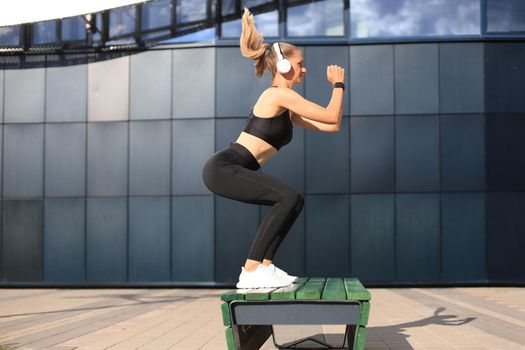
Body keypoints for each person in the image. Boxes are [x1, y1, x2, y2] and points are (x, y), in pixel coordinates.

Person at [202, 8, 345, 289]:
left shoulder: (287, 106)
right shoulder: (278, 95)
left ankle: (265, 266)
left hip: (235, 168)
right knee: (287, 196)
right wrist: (338, 84)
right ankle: (252, 269)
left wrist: (338, 93)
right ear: (283, 65)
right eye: (300, 63)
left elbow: (332, 125)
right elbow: (330, 114)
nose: (304, 69)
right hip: (225, 167)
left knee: (294, 200)